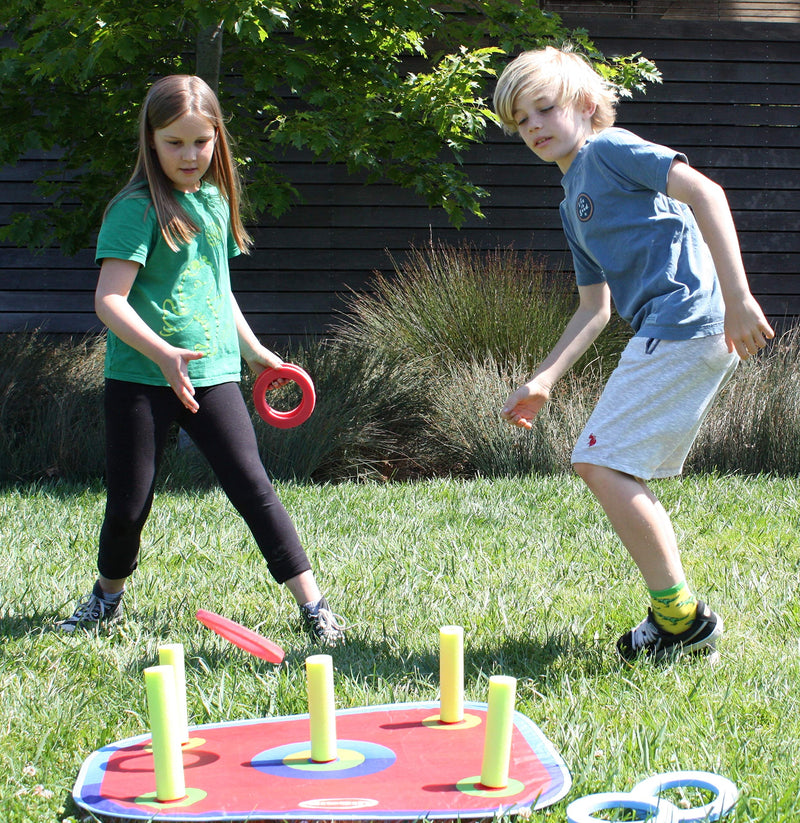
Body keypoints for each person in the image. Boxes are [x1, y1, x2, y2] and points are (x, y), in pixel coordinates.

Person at [493, 47, 774, 661]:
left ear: (586, 106)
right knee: (607, 463)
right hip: (666, 326)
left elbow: (707, 193)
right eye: (521, 120)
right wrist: (544, 380)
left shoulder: (608, 149)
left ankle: (680, 618)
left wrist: (738, 297)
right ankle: (676, 617)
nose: (534, 125)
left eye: (545, 108)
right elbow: (595, 307)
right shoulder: (573, 201)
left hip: (689, 321)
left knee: (601, 462)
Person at [57, 75, 345, 646]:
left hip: (212, 376)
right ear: (151, 141)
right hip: (140, 378)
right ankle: (106, 597)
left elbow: (218, 290)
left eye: (201, 142)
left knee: (253, 486)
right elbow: (108, 299)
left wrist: (257, 353)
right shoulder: (136, 210)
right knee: (130, 499)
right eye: (174, 143)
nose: (189, 156)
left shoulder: (214, 202)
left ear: (218, 140)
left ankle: (314, 608)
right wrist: (163, 354)